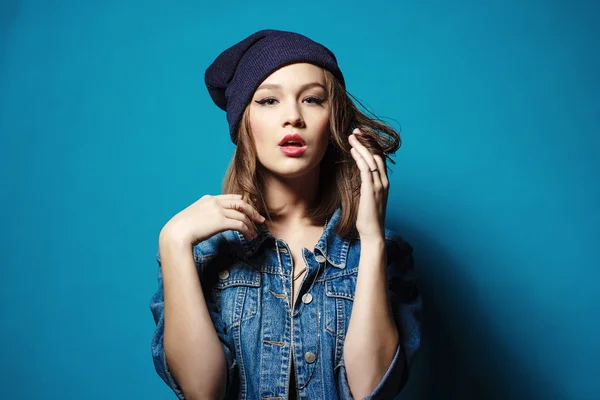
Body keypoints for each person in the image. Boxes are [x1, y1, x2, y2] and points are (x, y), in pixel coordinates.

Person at [149, 29, 422, 400]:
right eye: (268, 101)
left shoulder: (380, 250)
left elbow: (371, 390)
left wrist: (372, 240)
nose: (293, 116)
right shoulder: (203, 251)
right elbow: (202, 392)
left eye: (312, 99)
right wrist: (174, 242)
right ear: (243, 123)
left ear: (333, 121)